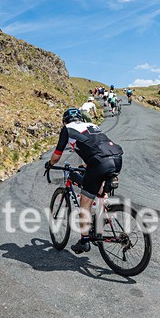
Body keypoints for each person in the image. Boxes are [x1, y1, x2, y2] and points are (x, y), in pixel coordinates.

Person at [46, 108, 124, 254]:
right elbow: (96, 145)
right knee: (100, 190)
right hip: (116, 158)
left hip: (99, 161)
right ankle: (105, 214)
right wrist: (87, 165)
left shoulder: (67, 129)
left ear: (64, 121)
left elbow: (57, 156)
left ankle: (84, 241)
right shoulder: (92, 126)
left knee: (85, 203)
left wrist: (50, 164)